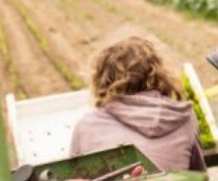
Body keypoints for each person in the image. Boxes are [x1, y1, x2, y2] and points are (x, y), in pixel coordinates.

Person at [70, 36, 207, 172]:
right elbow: (199, 176)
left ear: (102, 79)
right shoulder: (182, 117)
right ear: (159, 74)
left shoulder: (86, 126)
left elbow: (72, 175)